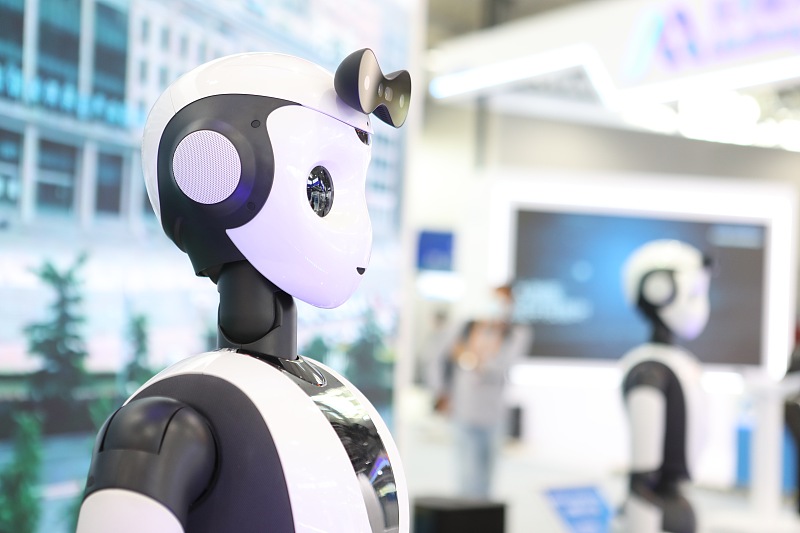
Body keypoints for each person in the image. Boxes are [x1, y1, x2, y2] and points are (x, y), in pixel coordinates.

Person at [434, 284, 532, 499]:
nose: (500, 307)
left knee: (487, 483)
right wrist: (440, 391)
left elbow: (502, 365)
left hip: (494, 414)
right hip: (464, 410)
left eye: (505, 302)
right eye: (496, 301)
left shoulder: (515, 333)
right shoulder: (466, 327)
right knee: (466, 479)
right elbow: (439, 356)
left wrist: (468, 357)